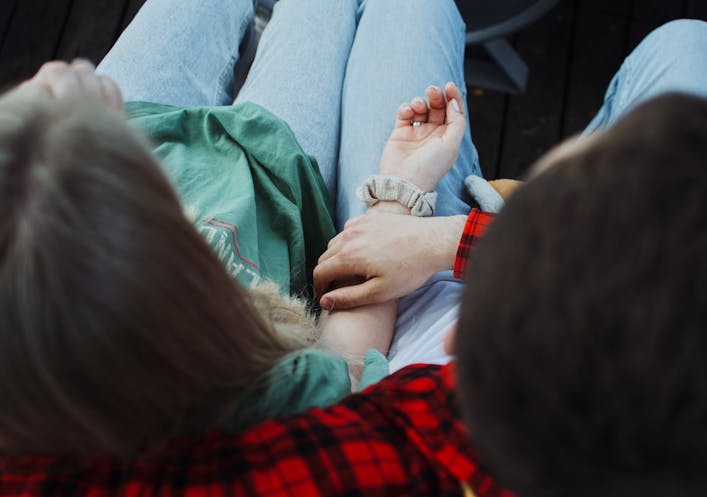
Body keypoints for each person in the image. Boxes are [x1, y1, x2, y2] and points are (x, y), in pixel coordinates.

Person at [0, 0, 478, 457]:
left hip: (87, 153)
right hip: (269, 168)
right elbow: (343, 363)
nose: (51, 73)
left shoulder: (53, 388)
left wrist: (45, 136)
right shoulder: (244, 393)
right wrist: (398, 195)